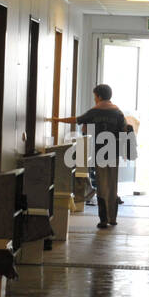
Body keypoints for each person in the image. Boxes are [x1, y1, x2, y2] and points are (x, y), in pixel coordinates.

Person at [51, 84, 128, 228]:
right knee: (112, 186)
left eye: (95, 97)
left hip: (100, 154)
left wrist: (58, 120)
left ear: (98, 96)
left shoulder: (95, 111)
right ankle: (113, 218)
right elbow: (124, 130)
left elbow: (76, 120)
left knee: (102, 186)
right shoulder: (118, 112)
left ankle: (103, 220)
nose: (94, 99)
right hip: (114, 153)